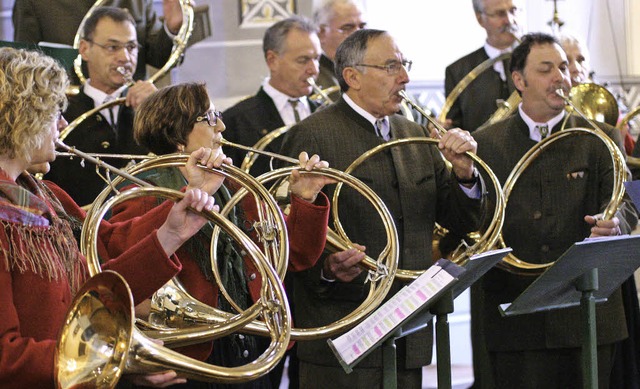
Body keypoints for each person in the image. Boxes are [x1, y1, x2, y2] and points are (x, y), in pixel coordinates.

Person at [0, 47, 223, 389]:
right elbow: (6, 357)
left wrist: (172, 233)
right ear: (24, 118)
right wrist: (114, 360)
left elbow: (96, 290)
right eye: (54, 112)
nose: (62, 124)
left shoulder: (46, 196)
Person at [278, 28, 487, 388]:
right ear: (352, 77)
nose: (404, 77)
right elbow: (286, 242)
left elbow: (460, 221)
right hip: (343, 336)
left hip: (410, 333)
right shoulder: (312, 135)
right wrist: (327, 270)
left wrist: (465, 173)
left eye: (404, 65)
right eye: (391, 66)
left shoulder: (414, 132)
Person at [107, 82, 334, 388]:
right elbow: (126, 270)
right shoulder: (141, 192)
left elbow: (295, 256)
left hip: (253, 344)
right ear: (176, 133)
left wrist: (305, 199)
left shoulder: (238, 188)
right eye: (210, 117)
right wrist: (195, 192)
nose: (223, 125)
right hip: (192, 356)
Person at [472, 32, 638, 389]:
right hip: (516, 320)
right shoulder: (485, 143)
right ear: (519, 80)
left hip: (590, 316)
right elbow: (473, 220)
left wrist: (617, 224)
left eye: (563, 67)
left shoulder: (603, 136)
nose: (561, 77)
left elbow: (625, 204)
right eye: (546, 69)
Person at [559, 32, 640, 389]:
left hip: (605, 259)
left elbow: (631, 196)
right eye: (565, 62)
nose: (573, 70)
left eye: (579, 61)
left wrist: (618, 222)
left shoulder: (609, 124)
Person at [45, 6, 157, 207]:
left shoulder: (151, 108)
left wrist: (161, 112)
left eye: (131, 47)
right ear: (85, 49)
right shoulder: (59, 113)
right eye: (113, 47)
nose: (125, 57)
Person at [222, 16, 323, 178]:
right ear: (272, 60)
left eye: (317, 58)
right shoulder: (234, 121)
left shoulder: (325, 112)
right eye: (303, 60)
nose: (314, 70)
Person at [12, 0, 186, 81]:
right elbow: (24, 72)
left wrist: (172, 29)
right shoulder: (35, 3)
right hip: (68, 121)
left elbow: (161, 58)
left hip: (130, 117)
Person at [444, 0, 523, 132]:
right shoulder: (458, 71)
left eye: (513, 11)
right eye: (499, 13)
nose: (509, 20)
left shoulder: (535, 63)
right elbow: (454, 128)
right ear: (480, 18)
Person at [313, 0, 367, 92]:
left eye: (362, 27)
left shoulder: (369, 69)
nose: (359, 34)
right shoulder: (312, 75)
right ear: (321, 33)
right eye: (347, 28)